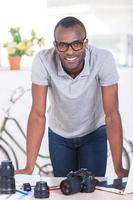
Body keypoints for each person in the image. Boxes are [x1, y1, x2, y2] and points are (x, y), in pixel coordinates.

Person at [16, 16, 129, 177]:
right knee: (65, 189)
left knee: (92, 190)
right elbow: (37, 115)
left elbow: (111, 115)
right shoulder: (43, 60)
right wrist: (29, 167)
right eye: (63, 45)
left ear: (85, 43)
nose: (69, 51)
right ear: (55, 45)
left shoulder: (103, 59)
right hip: (59, 136)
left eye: (76, 44)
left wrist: (119, 168)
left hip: (93, 133)